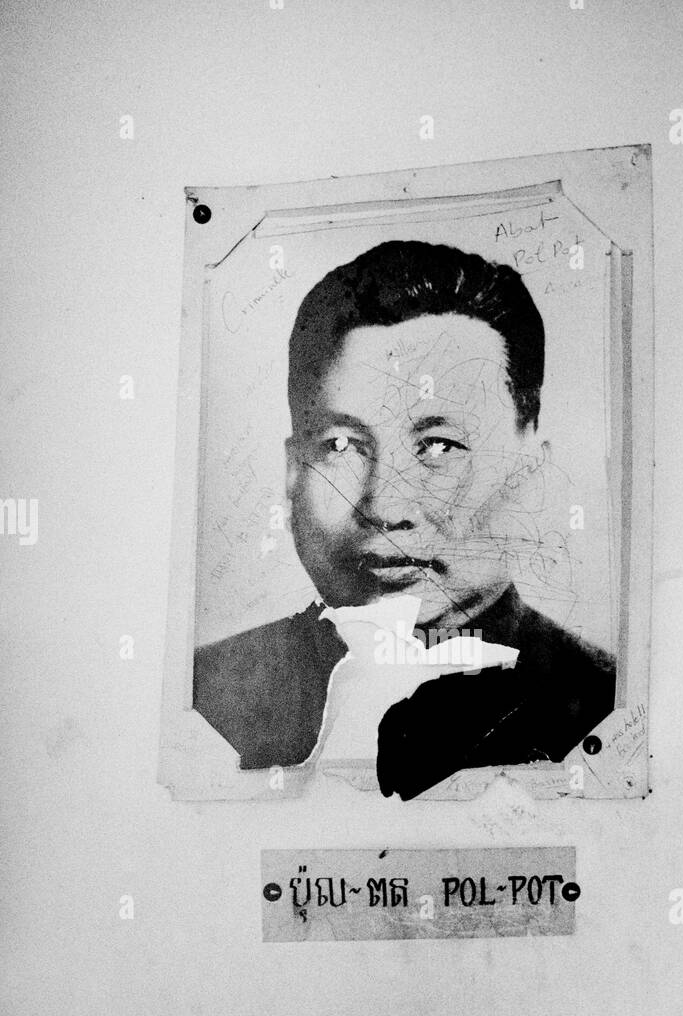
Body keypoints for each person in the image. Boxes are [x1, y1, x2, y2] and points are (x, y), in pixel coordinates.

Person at [193, 240, 615, 799]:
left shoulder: (603, 706)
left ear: (528, 471)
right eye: (341, 445)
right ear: (293, 471)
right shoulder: (208, 700)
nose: (386, 508)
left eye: (440, 446)